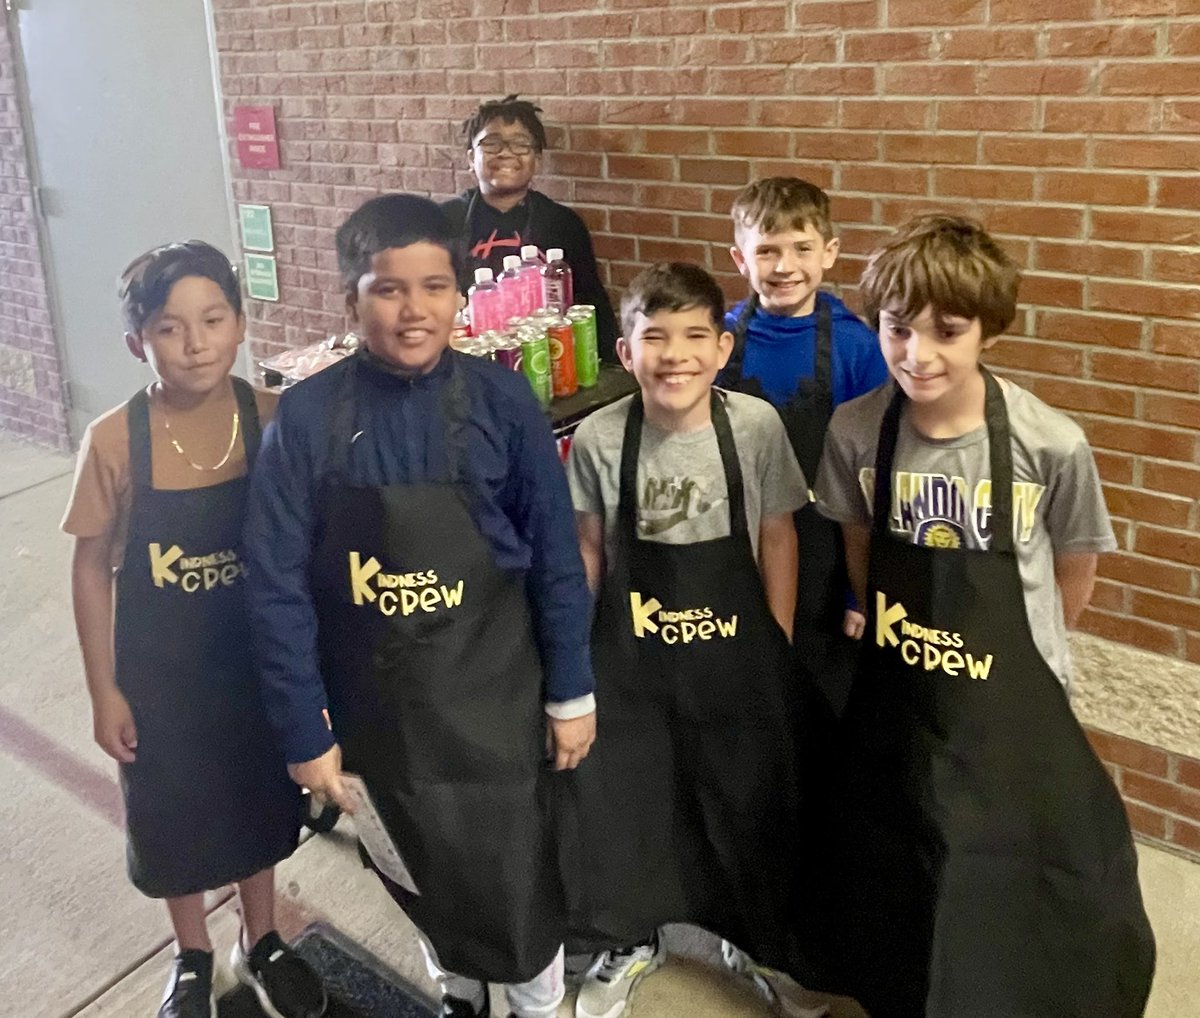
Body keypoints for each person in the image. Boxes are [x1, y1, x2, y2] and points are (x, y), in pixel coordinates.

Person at [243, 194, 596, 1018]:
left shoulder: (504, 405)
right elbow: (276, 586)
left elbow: (555, 558)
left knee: (514, 877)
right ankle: (455, 995)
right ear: (349, 301)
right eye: (388, 289)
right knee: (414, 864)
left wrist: (571, 691)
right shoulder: (305, 420)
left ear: (461, 293)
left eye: (434, 286)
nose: (414, 310)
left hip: (496, 698)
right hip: (377, 711)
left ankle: (537, 1005)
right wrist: (304, 730)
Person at [809, 214, 1155, 1017]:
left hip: (1013, 695)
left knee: (1014, 861)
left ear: (988, 334)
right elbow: (860, 546)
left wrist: (1026, 657)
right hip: (902, 684)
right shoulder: (856, 432)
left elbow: (1075, 569)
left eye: (948, 332)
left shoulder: (1049, 443)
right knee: (909, 848)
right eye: (898, 329)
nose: (917, 354)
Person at [63, 241, 326, 1018]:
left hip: (254, 664)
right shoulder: (116, 439)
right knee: (173, 812)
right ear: (137, 341)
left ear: (242, 324)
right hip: (158, 671)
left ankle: (262, 937)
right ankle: (192, 952)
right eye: (171, 327)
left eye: (214, 319)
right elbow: (87, 570)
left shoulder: (270, 418)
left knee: (258, 801)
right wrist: (103, 689)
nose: (197, 341)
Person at [564, 262, 808, 1018]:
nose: (676, 355)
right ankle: (632, 939)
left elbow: (777, 535)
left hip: (737, 655)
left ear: (723, 348)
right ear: (625, 349)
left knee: (743, 798)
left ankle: (753, 939)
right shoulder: (601, 439)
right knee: (631, 803)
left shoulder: (756, 429)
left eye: (695, 336)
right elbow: (590, 551)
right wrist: (579, 660)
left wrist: (777, 642)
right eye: (655, 337)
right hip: (634, 659)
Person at [719, 177, 888, 717]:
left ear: (830, 253)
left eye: (802, 248)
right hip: (734, 540)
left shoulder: (858, 346)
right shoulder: (717, 340)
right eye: (766, 251)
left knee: (815, 700)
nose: (784, 265)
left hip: (826, 554)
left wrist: (858, 592)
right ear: (740, 260)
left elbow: (872, 472)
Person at [439, 94, 619, 360]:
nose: (506, 152)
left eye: (521, 145)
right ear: (470, 158)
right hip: (464, 361)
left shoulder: (562, 223)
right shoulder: (443, 221)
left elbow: (593, 304)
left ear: (537, 160)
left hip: (548, 360)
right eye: (491, 143)